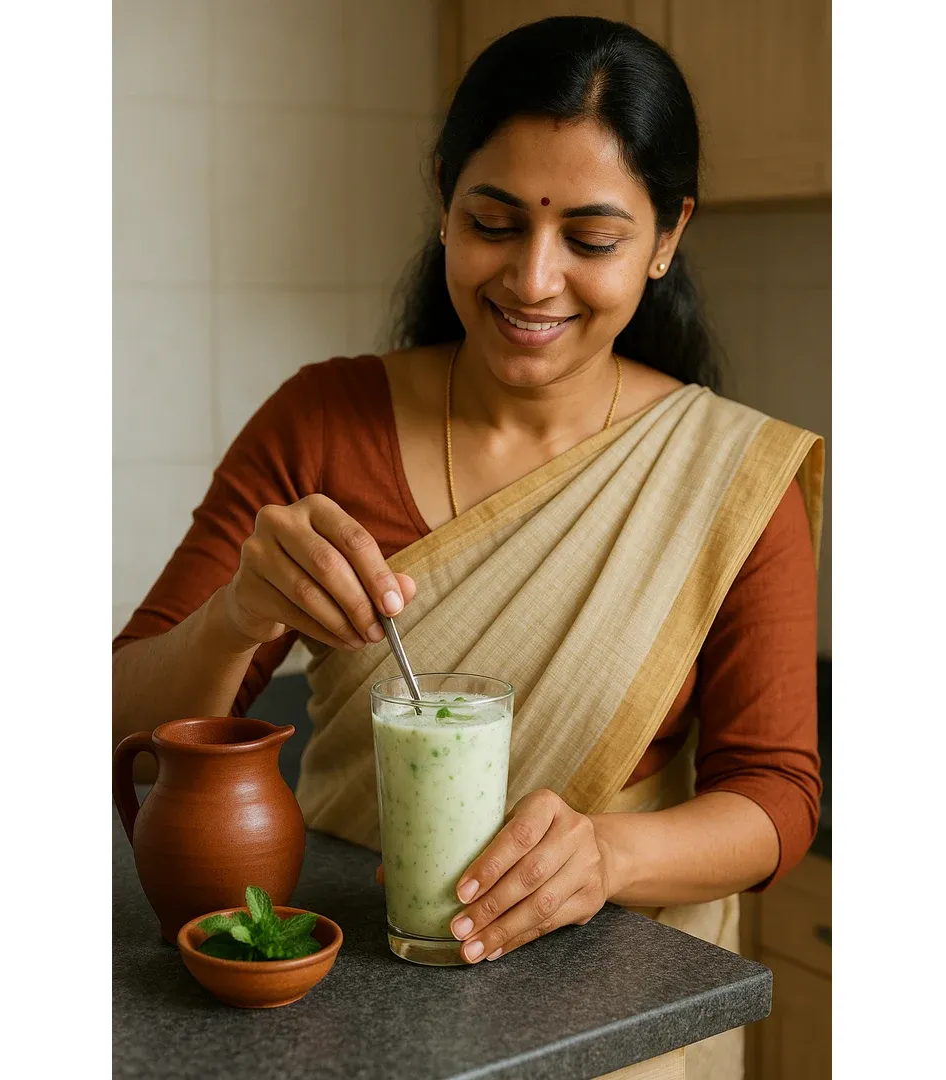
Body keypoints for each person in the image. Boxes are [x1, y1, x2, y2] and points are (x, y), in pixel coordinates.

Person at [113, 16, 823, 1078]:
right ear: (444, 198)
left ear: (669, 236)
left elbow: (777, 797)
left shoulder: (727, 478)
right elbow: (118, 719)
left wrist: (606, 854)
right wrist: (237, 616)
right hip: (343, 1010)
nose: (533, 281)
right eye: (494, 221)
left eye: (591, 240)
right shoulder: (321, 421)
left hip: (611, 1024)